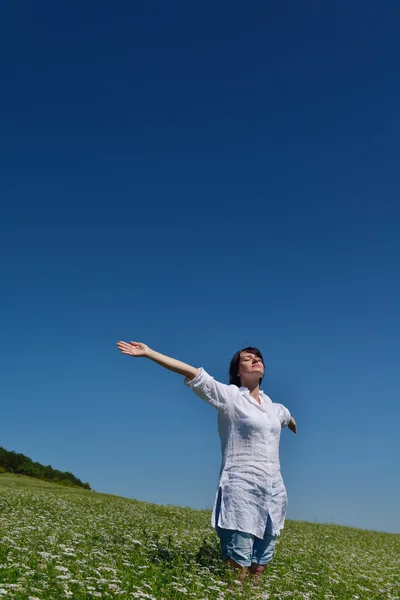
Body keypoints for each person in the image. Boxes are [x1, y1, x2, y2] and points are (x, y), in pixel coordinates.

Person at [116, 340, 297, 578]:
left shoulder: (275, 408)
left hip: (273, 493)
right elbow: (192, 372)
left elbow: (288, 418)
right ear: (238, 372)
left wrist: (294, 425)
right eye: (247, 358)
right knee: (238, 566)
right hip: (241, 489)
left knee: (260, 566)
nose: (255, 360)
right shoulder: (230, 397)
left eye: (258, 357)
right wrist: (149, 353)